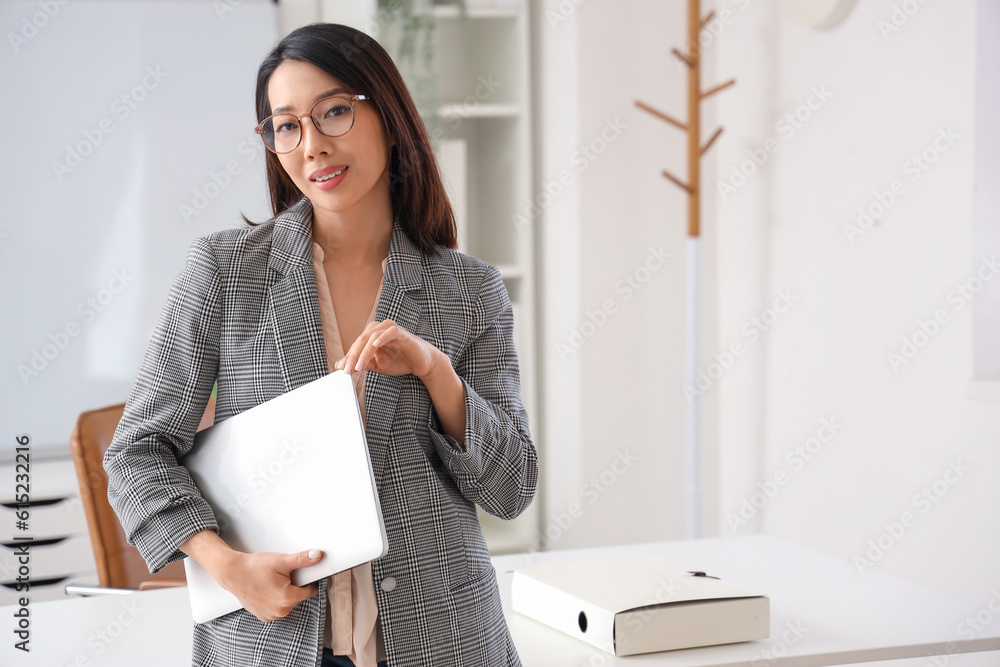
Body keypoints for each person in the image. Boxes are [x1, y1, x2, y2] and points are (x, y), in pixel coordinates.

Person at [103, 22, 537, 667]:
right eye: (286, 126)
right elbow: (137, 452)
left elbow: (512, 487)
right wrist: (226, 564)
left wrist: (435, 373)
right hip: (269, 640)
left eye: (334, 112)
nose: (311, 146)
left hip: (444, 639)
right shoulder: (224, 272)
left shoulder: (468, 288)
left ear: (388, 116)